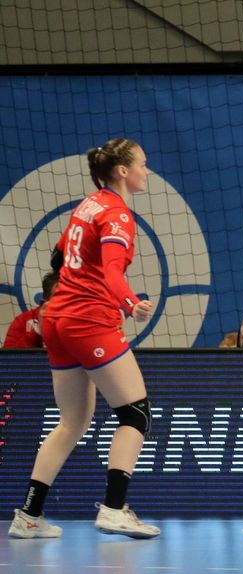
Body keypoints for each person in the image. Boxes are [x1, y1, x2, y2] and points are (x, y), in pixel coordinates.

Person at [8, 139, 160, 539]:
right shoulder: (117, 214)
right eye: (142, 164)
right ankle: (113, 509)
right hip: (88, 320)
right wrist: (130, 303)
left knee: (72, 422)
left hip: (56, 318)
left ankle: (28, 516)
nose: (146, 171)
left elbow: (59, 258)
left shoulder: (88, 205)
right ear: (123, 171)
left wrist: (77, 284)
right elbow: (111, 271)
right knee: (136, 413)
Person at [3, 271, 59, 348]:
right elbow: (8, 355)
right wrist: (38, 331)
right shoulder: (23, 320)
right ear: (44, 304)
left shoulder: (75, 321)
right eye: (61, 298)